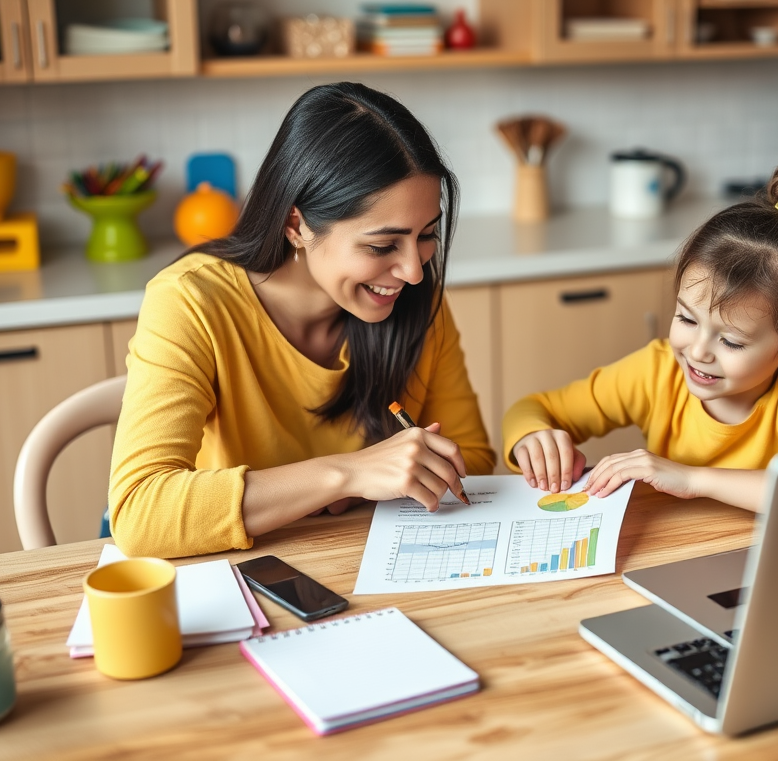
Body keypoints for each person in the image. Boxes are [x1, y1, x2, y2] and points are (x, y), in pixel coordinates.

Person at [110, 82, 495, 558]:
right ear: (297, 225)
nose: (414, 271)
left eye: (426, 235)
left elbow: (473, 460)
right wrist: (346, 474)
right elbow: (140, 512)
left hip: (357, 566)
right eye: (381, 246)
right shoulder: (191, 302)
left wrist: (376, 481)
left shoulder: (415, 298)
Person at [502, 162, 778, 512]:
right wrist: (531, 436)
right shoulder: (657, 370)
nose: (697, 352)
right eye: (686, 318)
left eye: (731, 341)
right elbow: (532, 409)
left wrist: (694, 479)